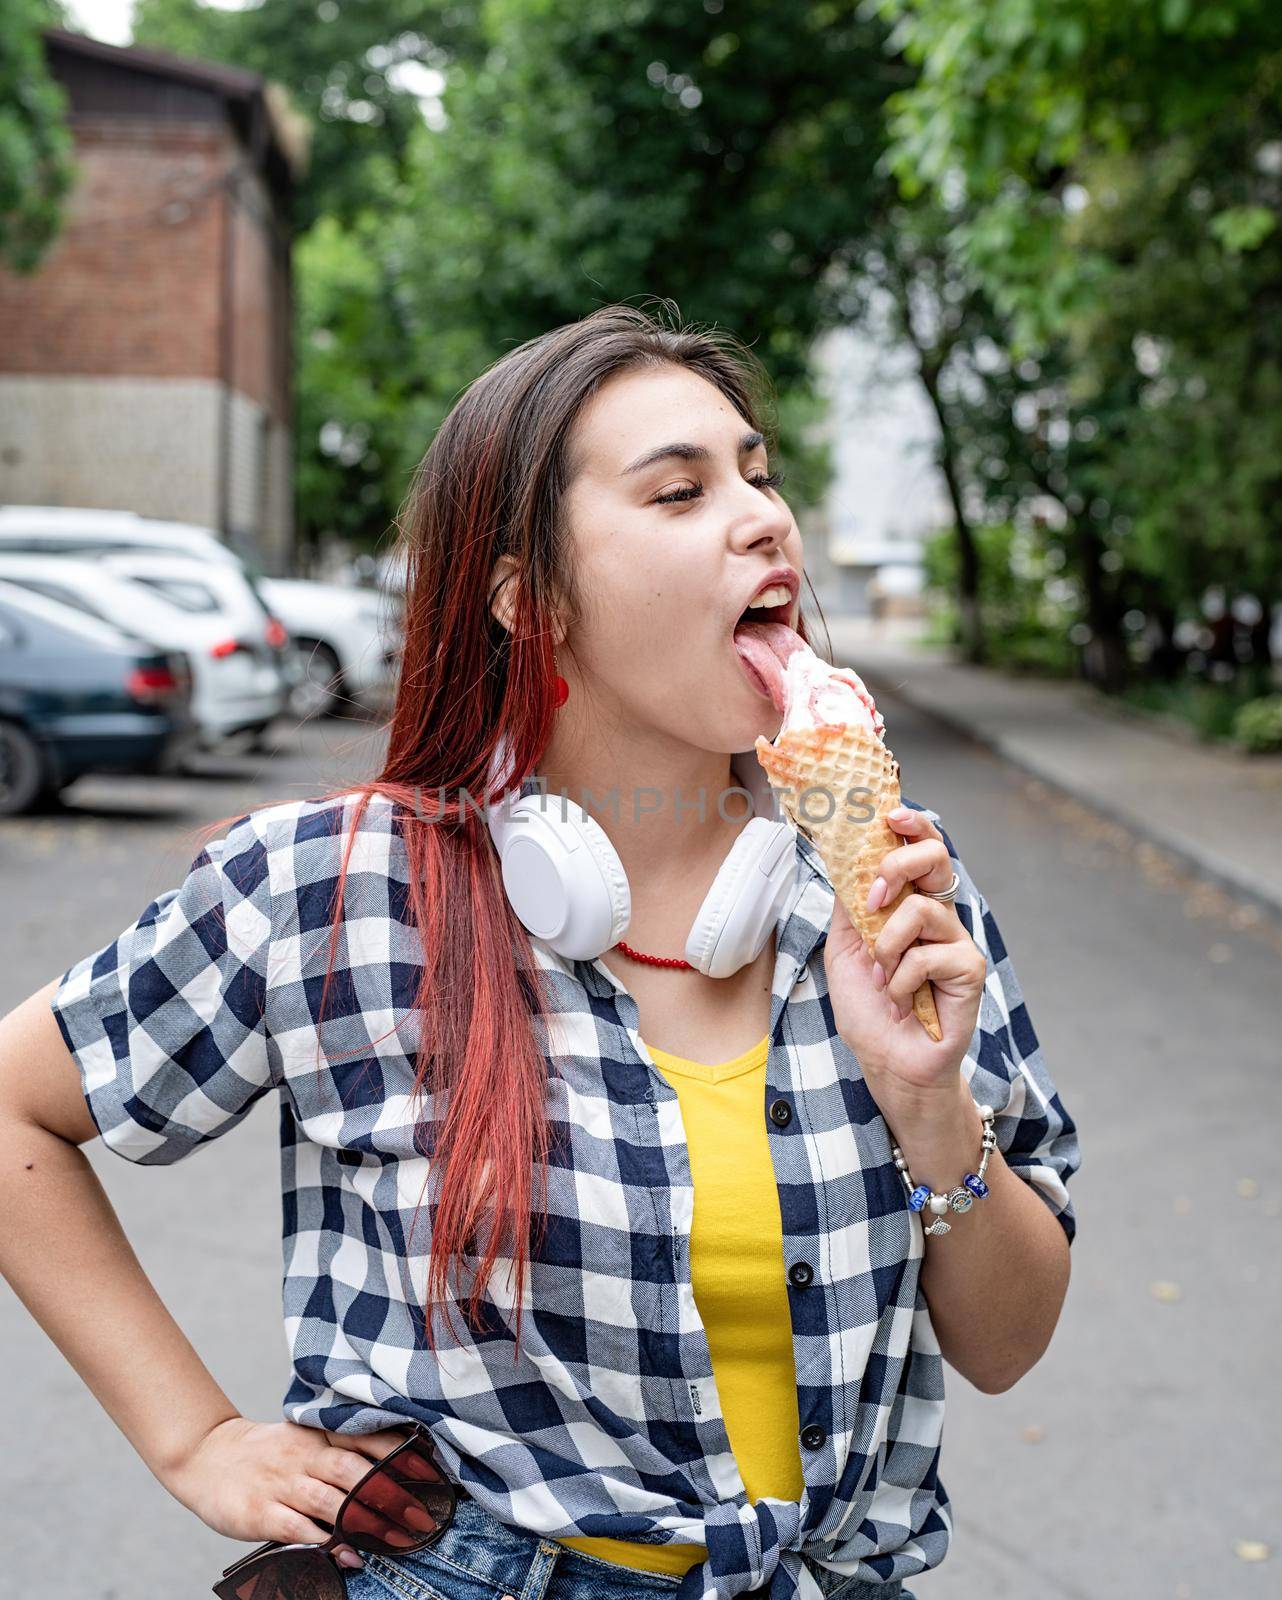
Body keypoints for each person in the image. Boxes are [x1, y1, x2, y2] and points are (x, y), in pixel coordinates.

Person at [0, 301, 1079, 1600]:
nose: (759, 516)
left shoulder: (899, 885)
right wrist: (196, 1438)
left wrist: (925, 1099)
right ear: (530, 595)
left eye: (757, 472)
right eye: (677, 492)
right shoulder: (334, 889)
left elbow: (1006, 1350)